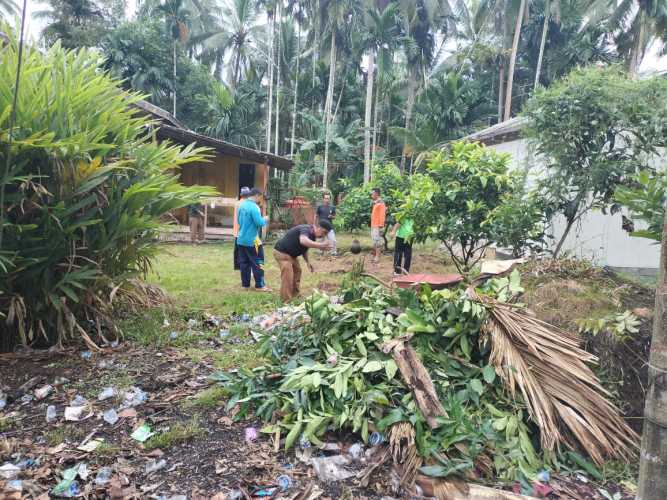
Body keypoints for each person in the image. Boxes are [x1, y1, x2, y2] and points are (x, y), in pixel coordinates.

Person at [273, 221, 333, 302]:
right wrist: (321, 245)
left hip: (291, 255)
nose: (324, 235)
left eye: (326, 234)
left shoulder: (312, 235)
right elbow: (303, 241)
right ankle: (286, 300)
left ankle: (295, 294)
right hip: (282, 253)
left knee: (298, 271)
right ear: (318, 227)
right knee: (288, 275)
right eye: (324, 232)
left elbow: (304, 248)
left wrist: (308, 262)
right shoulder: (306, 229)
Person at [236, 188, 271, 292]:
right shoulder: (254, 207)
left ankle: (245, 285)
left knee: (244, 263)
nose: (260, 199)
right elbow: (259, 223)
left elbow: (238, 221)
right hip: (253, 240)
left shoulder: (241, 205)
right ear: (256, 195)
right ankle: (260, 285)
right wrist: (265, 219)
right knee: (258, 262)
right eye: (260, 197)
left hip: (241, 239)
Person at [233, 187, 251, 271]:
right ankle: (244, 265)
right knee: (245, 250)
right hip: (244, 230)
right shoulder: (247, 204)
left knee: (237, 249)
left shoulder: (237, 203)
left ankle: (237, 265)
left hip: (237, 230)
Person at [370, 188, 386, 264]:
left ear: (377, 194)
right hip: (374, 225)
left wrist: (381, 226)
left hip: (377, 225)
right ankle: (375, 255)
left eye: (372, 193)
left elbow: (382, 215)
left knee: (377, 241)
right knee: (375, 241)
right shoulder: (376, 203)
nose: (371, 195)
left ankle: (377, 257)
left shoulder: (381, 203)